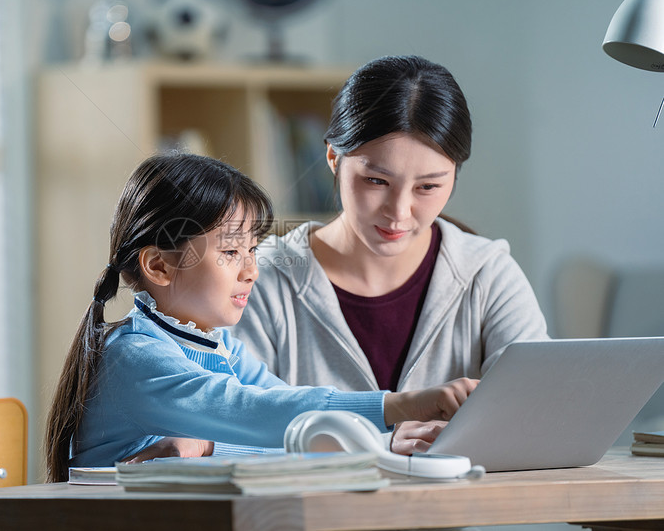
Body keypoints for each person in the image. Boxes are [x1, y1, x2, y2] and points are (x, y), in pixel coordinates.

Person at [45, 152, 478, 481]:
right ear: (158, 266)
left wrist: (209, 445)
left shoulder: (222, 348)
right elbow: (256, 412)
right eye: (231, 251)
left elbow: (296, 430)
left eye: (252, 249)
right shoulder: (135, 357)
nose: (251, 269)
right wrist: (399, 405)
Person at [231, 55, 548, 454]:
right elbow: (231, 431)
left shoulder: (489, 273)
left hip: (450, 513)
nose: (399, 212)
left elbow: (536, 414)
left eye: (428, 187)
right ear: (333, 158)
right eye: (376, 180)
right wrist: (380, 444)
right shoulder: (263, 278)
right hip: (309, 514)